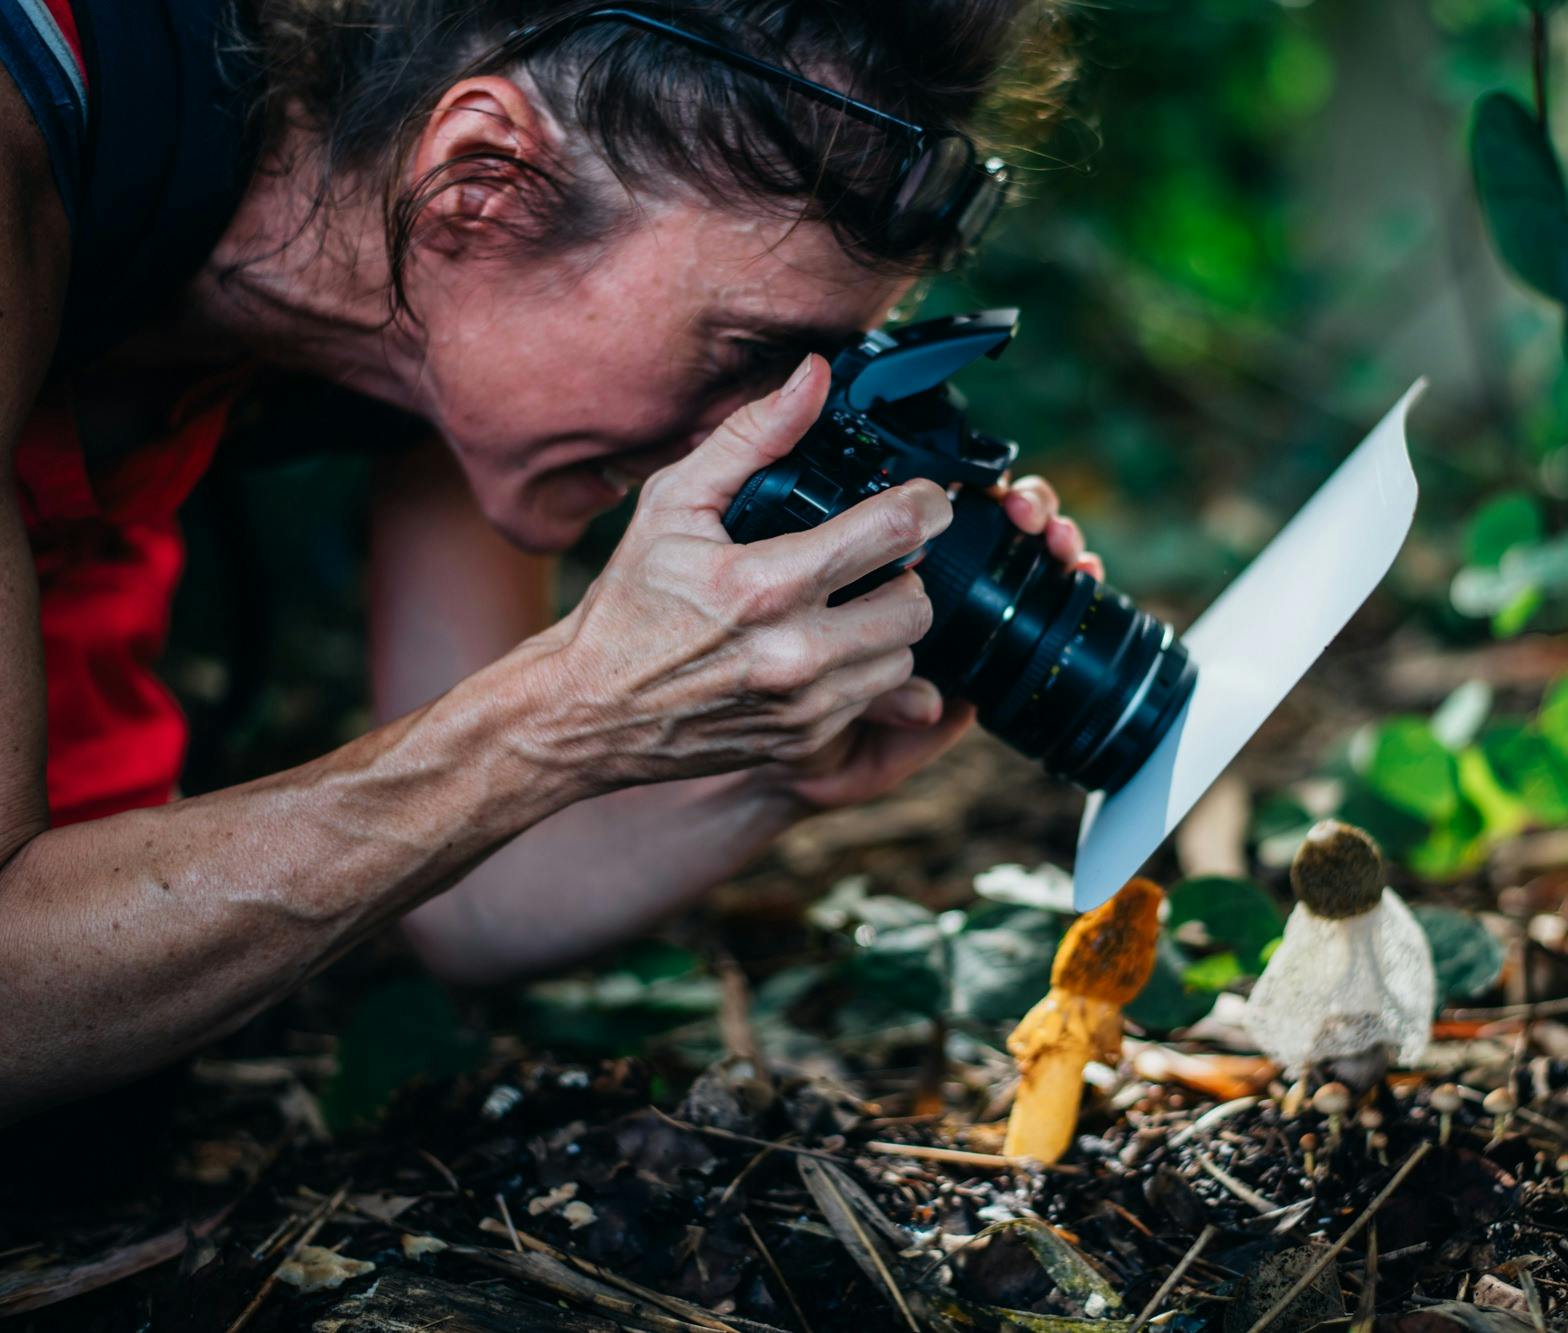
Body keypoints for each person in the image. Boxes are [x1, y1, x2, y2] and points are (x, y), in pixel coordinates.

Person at [0, 0, 1102, 1124]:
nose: (757, 431)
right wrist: (553, 713)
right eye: (751, 355)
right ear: (482, 178)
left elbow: (474, 897)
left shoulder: (433, 326)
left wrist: (773, 768)